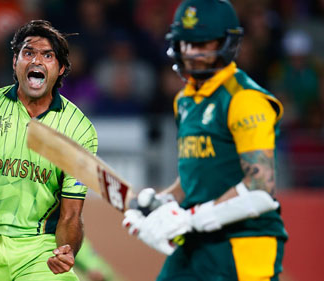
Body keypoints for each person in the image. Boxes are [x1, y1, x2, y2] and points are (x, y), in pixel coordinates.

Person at [123, 1, 288, 280]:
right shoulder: (185, 99)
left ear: (227, 43)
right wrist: (159, 203)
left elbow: (260, 189)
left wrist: (191, 217)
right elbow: (194, 179)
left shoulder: (245, 99)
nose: (192, 53)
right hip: (197, 242)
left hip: (245, 242)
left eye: (203, 44)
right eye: (186, 44)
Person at [0, 20, 98, 281]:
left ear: (60, 69)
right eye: (28, 52)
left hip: (38, 248)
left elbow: (71, 216)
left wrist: (66, 249)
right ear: (15, 62)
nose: (36, 60)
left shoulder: (78, 130)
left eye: (47, 55)